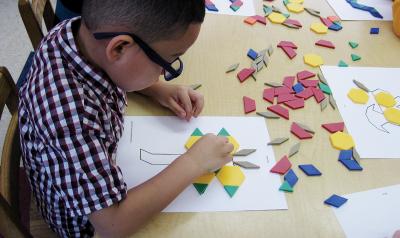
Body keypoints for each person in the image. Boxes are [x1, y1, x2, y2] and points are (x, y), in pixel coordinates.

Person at [18, 0, 234, 237]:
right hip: (85, 224)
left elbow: (115, 66)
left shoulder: (76, 34)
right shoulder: (70, 119)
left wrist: (156, 89)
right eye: (167, 62)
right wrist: (196, 162)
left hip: (99, 158)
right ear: (120, 48)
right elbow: (112, 225)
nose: (165, 72)